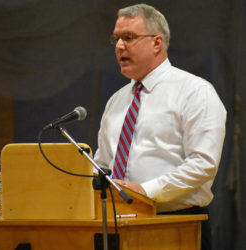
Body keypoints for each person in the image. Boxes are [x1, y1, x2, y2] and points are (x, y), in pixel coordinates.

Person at [94, 3, 226, 250]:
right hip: (117, 225)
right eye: (117, 39)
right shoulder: (116, 101)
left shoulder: (195, 92)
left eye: (129, 37)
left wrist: (144, 191)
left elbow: (203, 165)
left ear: (157, 43)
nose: (120, 46)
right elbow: (103, 164)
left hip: (177, 225)